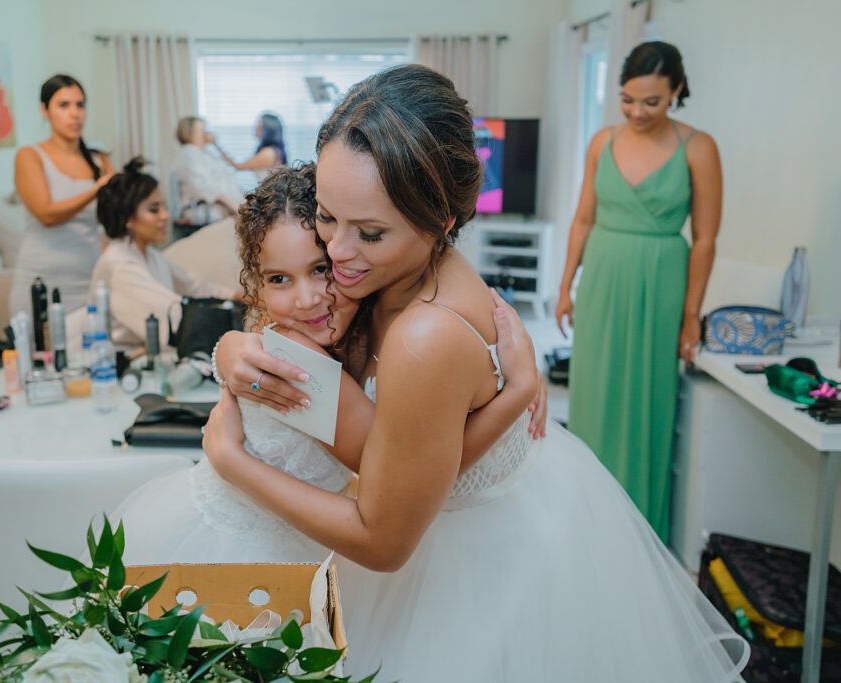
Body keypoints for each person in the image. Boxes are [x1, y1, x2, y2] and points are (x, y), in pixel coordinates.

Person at [205, 64, 746, 681]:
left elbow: (382, 539)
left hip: (484, 568)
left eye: (370, 233)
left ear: (443, 220)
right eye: (328, 216)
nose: (336, 251)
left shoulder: (424, 338)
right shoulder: (383, 271)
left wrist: (233, 462)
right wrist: (230, 346)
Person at [112, 164, 525, 566]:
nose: (306, 298)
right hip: (241, 552)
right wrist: (515, 394)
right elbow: (407, 478)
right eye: (279, 279)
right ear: (256, 284)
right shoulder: (297, 358)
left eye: (320, 269)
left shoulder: (353, 325)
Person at [555, 41, 723, 542]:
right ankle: (585, 514)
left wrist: (692, 314)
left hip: (661, 280)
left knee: (648, 399)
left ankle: (639, 530)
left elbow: (707, 238)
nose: (637, 112)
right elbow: (583, 218)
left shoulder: (699, 147)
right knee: (594, 392)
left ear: (676, 91)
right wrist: (565, 286)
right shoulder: (602, 141)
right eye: (628, 99)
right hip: (604, 276)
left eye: (651, 101)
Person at [91, 157, 238, 349]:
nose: (165, 216)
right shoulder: (119, 264)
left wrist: (240, 296)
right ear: (128, 218)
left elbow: (194, 286)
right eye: (154, 209)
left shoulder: (151, 255)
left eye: (164, 207)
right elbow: (172, 315)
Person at [10, 75, 113, 316]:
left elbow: (114, 219)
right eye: (63, 105)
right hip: (41, 281)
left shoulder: (100, 160)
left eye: (80, 105)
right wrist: (97, 189)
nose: (75, 114)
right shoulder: (30, 156)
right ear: (44, 110)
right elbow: (46, 214)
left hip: (89, 281)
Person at [170, 116, 244, 225]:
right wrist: (236, 209)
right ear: (190, 133)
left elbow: (227, 173)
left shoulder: (203, 153)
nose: (207, 134)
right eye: (203, 131)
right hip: (207, 215)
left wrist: (215, 144)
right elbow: (207, 188)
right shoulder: (189, 154)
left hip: (225, 213)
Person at [211, 112, 287, 182]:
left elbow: (238, 166)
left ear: (268, 130)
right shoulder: (271, 150)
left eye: (259, 125)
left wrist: (216, 144)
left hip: (272, 195)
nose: (255, 127)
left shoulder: (268, 153)